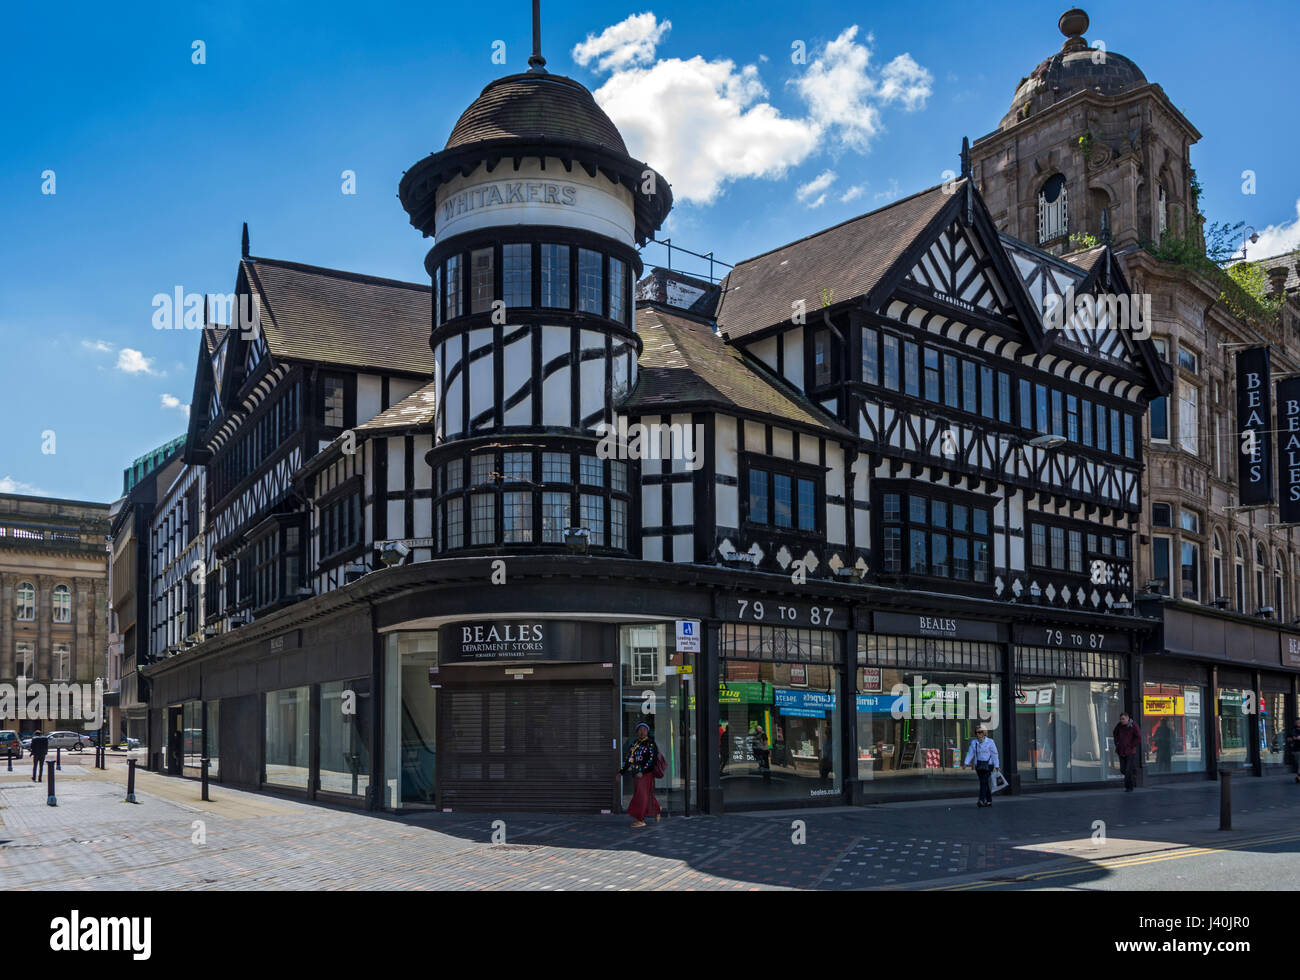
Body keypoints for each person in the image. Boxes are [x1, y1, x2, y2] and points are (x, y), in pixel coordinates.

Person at [618, 722, 661, 828]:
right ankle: (657, 810)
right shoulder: (634, 744)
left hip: (645, 775)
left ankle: (640, 819)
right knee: (646, 794)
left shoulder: (650, 744)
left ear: (647, 731)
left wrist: (643, 772)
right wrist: (621, 772)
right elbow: (629, 760)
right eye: (640, 729)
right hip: (636, 775)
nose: (642, 732)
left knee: (640, 796)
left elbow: (652, 760)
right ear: (637, 732)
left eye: (644, 729)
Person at [962, 726, 1000, 807]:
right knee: (984, 782)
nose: (978, 734)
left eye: (980, 732)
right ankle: (989, 800)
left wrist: (997, 765)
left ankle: (981, 800)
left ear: (984, 733)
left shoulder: (990, 742)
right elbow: (970, 753)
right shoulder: (974, 742)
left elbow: (994, 754)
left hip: (988, 765)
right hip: (978, 765)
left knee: (983, 782)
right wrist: (966, 763)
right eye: (976, 732)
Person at [1113, 712, 1142, 791]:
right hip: (1121, 750)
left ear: (1127, 718)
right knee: (1123, 769)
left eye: (1123, 719)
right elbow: (1115, 733)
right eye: (1121, 719)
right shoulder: (1119, 725)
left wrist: (1132, 745)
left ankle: (1129, 787)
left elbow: (1138, 737)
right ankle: (1132, 775)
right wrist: (1117, 743)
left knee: (1128, 770)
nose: (1122, 721)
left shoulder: (1133, 725)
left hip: (1130, 752)